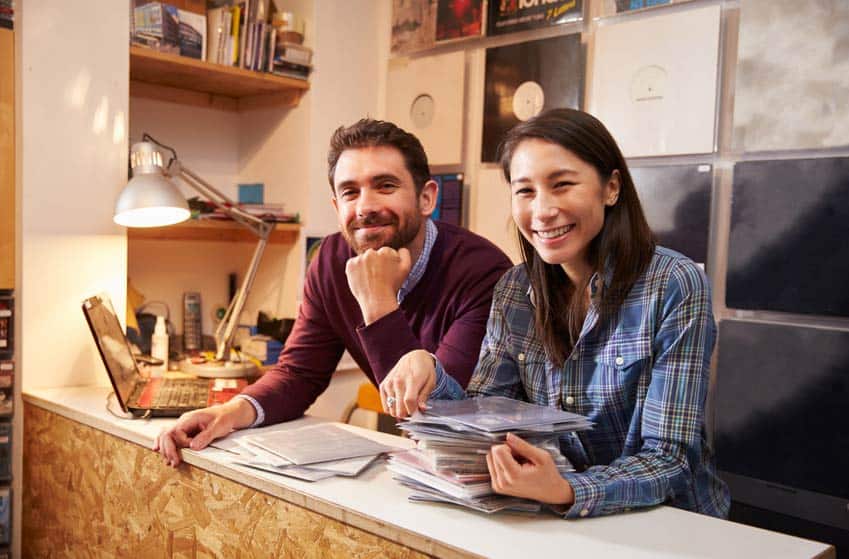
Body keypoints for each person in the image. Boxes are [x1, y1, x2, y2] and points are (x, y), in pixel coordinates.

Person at [379, 108, 731, 519]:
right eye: (525, 191)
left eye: (562, 185)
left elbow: (670, 459)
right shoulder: (513, 289)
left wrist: (566, 489)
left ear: (611, 188)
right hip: (557, 522)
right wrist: (430, 372)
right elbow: (488, 417)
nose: (542, 211)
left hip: (669, 526)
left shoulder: (674, 283)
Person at [155, 119, 512, 466]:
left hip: (485, 468)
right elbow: (299, 375)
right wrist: (228, 412)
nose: (365, 207)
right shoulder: (330, 260)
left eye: (385, 186)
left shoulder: (484, 273)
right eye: (350, 192)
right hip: (420, 470)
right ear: (336, 207)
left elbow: (438, 422)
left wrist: (378, 305)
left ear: (426, 198)